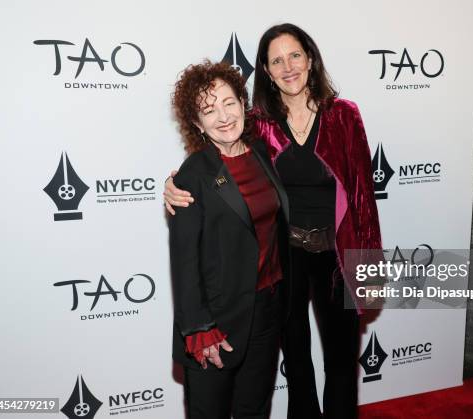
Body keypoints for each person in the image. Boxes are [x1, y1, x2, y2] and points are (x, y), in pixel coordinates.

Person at [165, 24, 382, 419]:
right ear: (265, 70)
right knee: (296, 359)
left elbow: (364, 196)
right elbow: (219, 160)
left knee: (341, 360)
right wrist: (171, 184)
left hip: (337, 255)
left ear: (311, 59)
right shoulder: (256, 122)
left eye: (295, 55)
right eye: (276, 60)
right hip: (285, 260)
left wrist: (367, 270)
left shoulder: (344, 116)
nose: (288, 67)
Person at [169, 60, 290, 419]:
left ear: (243, 103)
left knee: (254, 409)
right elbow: (184, 258)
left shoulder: (262, 154)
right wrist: (200, 328)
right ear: (196, 122)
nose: (222, 116)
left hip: (267, 308)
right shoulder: (194, 174)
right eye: (209, 110)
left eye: (229, 103)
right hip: (217, 322)